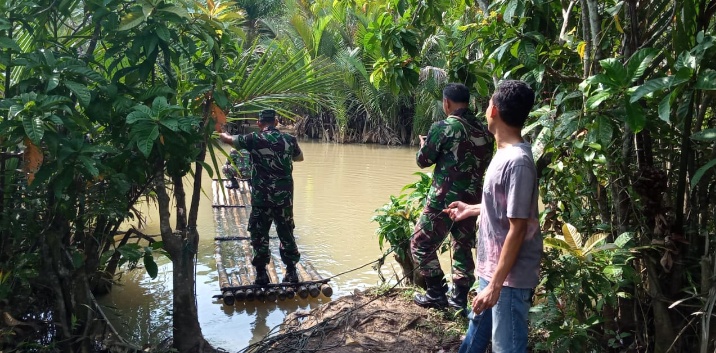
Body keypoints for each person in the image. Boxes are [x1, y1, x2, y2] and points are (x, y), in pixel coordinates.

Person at [445, 80, 543, 353]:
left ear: (495, 111)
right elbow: (505, 210)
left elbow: (518, 227)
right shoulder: (503, 154)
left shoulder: (518, 162)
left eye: (488, 103)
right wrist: (470, 209)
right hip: (493, 269)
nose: (486, 107)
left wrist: (495, 287)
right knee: (475, 336)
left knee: (507, 347)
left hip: (508, 279)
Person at [411, 83, 494, 315]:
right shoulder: (484, 130)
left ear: (446, 103)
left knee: (420, 243)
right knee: (462, 246)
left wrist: (424, 145)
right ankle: (458, 300)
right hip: (472, 201)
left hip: (443, 199)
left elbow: (423, 160)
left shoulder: (444, 127)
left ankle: (436, 293)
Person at [219, 109, 304, 285]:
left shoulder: (253, 139)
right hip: (284, 198)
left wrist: (219, 128)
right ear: (277, 121)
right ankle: (291, 273)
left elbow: (228, 139)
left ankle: (261, 275)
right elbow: (300, 158)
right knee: (286, 233)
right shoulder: (289, 140)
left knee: (259, 234)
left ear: (259, 123)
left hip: (261, 198)